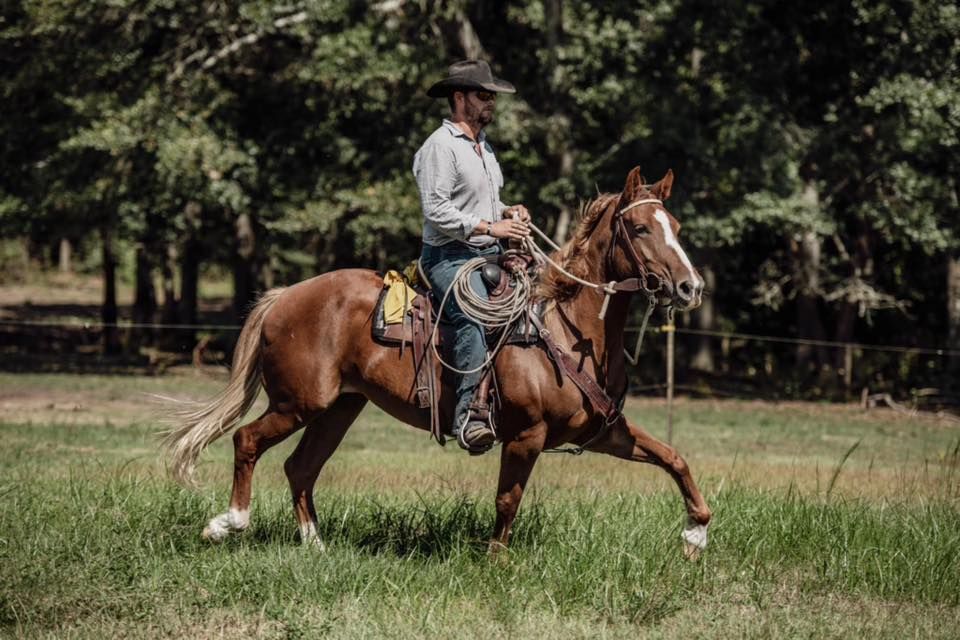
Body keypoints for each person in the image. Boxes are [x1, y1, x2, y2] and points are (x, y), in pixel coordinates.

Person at [413, 59, 531, 453]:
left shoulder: (484, 147)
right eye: (484, 95)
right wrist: (490, 228)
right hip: (446, 256)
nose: (491, 102)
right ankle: (468, 416)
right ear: (459, 97)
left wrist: (509, 212)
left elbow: (486, 203)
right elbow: (436, 210)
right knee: (474, 312)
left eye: (492, 96)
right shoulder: (439, 146)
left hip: (485, 253)